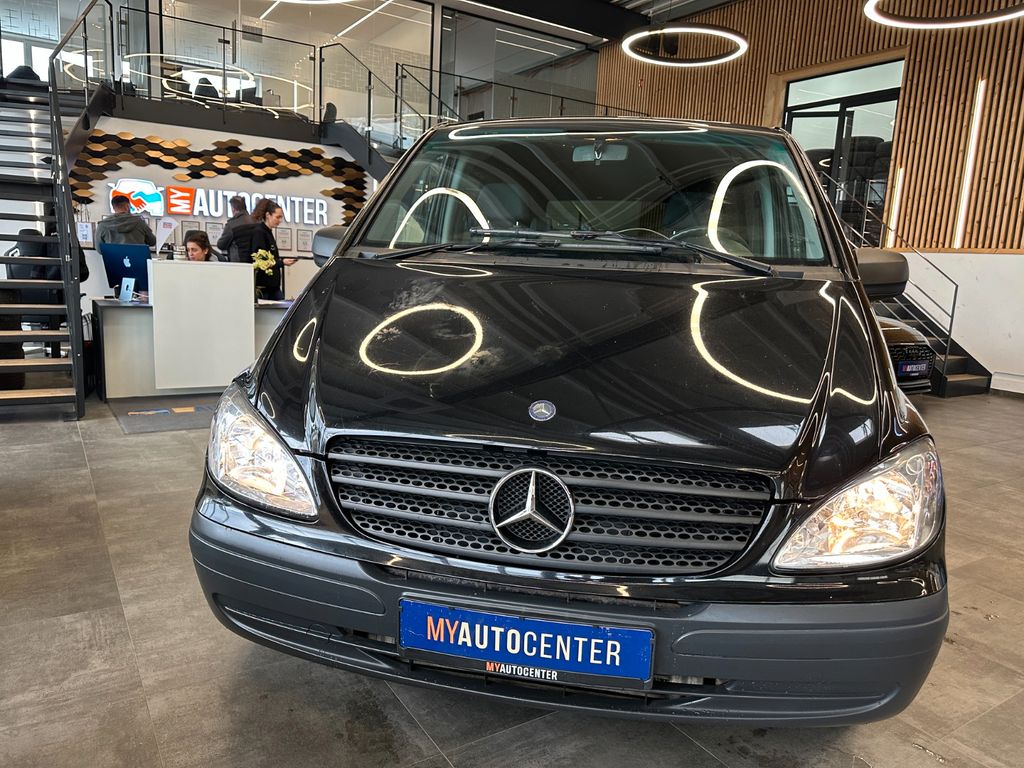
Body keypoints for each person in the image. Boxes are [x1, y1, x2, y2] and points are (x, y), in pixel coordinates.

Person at [233, 198, 296, 300]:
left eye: (281, 217)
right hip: (264, 287)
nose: (280, 221)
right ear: (268, 215)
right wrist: (282, 262)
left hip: (272, 286)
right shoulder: (259, 232)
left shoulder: (267, 232)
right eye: (277, 217)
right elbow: (261, 260)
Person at [217, 196, 252, 262]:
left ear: (233, 209)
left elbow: (221, 245)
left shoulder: (232, 224)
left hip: (238, 263)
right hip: (256, 263)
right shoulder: (257, 222)